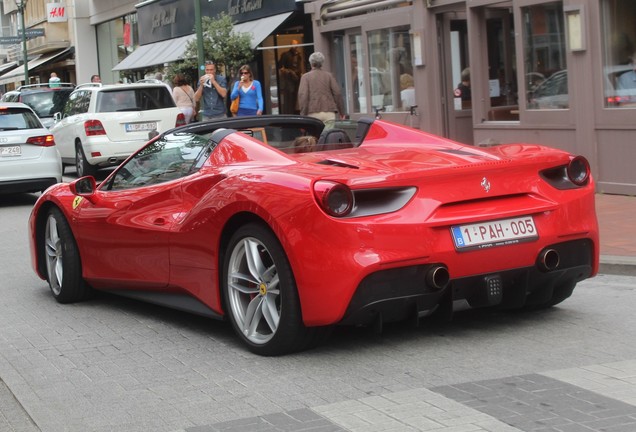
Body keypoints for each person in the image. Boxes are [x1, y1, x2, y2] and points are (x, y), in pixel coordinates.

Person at [298, 52, 345, 125]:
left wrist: (303, 116)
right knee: (328, 135)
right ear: (322, 63)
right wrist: (342, 112)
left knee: (314, 136)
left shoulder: (305, 77)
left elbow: (303, 96)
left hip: (312, 113)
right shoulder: (329, 76)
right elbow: (337, 93)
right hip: (329, 112)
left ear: (311, 63)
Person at [279, 40, 304, 114]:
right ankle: (289, 113)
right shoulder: (285, 54)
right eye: (294, 44)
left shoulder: (298, 55)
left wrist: (301, 73)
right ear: (291, 45)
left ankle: (295, 112)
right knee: (289, 96)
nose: (295, 46)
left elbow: (299, 66)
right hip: (289, 78)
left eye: (296, 45)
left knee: (296, 96)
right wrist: (289, 72)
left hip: (297, 77)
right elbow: (281, 67)